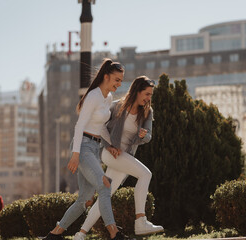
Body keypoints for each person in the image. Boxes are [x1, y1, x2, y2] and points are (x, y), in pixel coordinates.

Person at [42, 59, 126, 240]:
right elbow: (79, 126)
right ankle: (115, 234)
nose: (119, 84)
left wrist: (110, 144)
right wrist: (75, 155)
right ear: (106, 77)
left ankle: (54, 235)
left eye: (121, 80)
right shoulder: (93, 96)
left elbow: (101, 126)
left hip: (94, 148)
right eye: (116, 80)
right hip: (83, 147)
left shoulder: (108, 97)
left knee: (84, 200)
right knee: (104, 185)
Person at [73, 76, 164, 240]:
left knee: (107, 195)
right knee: (145, 174)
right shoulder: (117, 107)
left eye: (151, 95)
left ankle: (81, 234)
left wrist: (144, 135)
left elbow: (149, 135)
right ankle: (140, 221)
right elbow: (100, 125)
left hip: (125, 157)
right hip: (110, 154)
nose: (149, 98)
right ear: (137, 91)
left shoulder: (147, 112)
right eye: (147, 94)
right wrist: (109, 146)